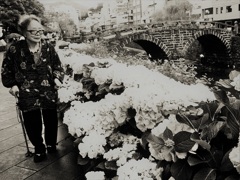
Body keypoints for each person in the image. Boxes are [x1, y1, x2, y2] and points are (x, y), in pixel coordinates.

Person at [1, 14, 64, 163]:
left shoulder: (48, 47)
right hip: (26, 90)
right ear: (24, 32)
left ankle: (50, 143)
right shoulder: (14, 49)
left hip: (47, 88)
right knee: (31, 121)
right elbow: (6, 70)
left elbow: (57, 65)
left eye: (40, 31)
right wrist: (13, 85)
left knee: (50, 118)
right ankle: (39, 148)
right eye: (33, 31)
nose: (38, 34)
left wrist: (57, 78)